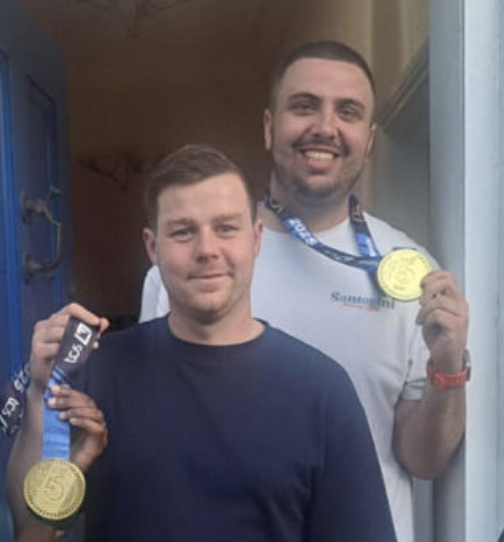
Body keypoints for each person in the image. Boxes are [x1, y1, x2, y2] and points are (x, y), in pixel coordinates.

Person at [139, 42, 470, 542]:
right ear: (270, 127)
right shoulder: (189, 267)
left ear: (369, 139)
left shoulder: (412, 272)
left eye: (348, 112)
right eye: (304, 106)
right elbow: (157, 427)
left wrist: (448, 367)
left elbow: (423, 461)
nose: (325, 127)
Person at [7, 145, 397, 542]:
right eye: (183, 232)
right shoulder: (98, 370)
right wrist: (40, 394)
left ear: (255, 239)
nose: (207, 250)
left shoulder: (323, 391)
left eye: (226, 228)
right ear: (153, 247)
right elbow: (31, 530)